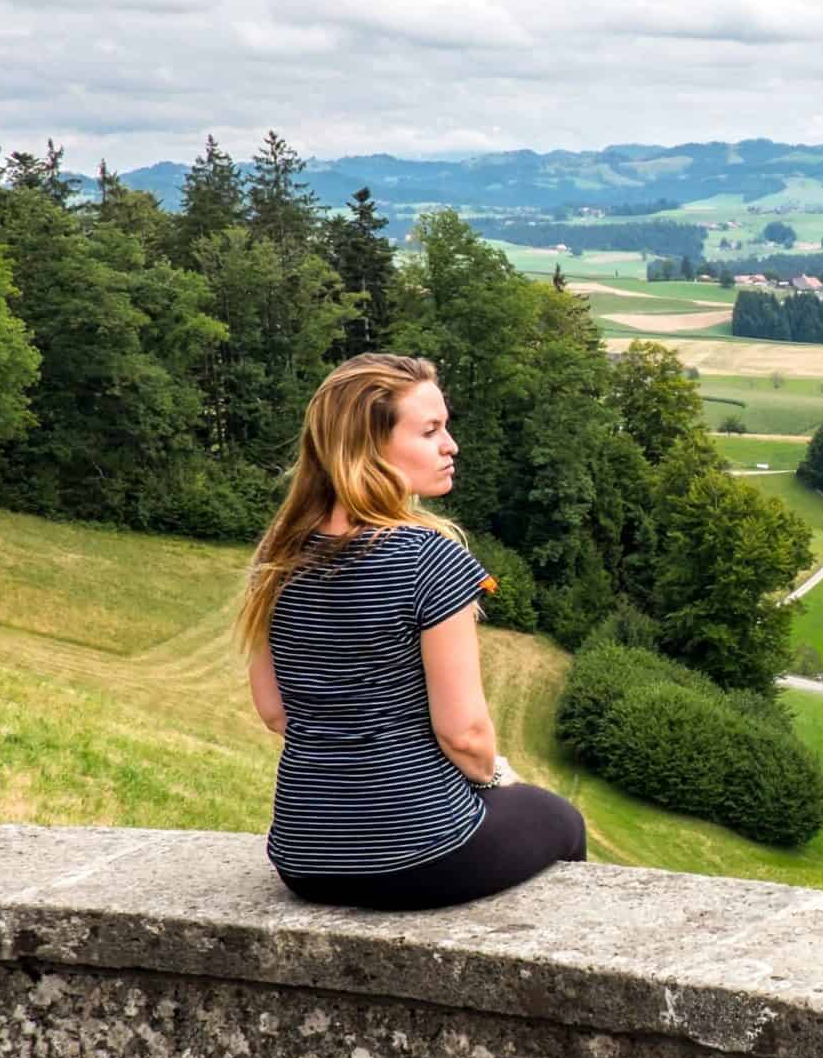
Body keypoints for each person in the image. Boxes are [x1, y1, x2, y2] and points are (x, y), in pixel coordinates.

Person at [234, 352, 586, 910]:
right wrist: (497, 780)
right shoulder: (430, 559)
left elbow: (275, 711)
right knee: (561, 820)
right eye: (430, 431)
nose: (451, 445)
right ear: (368, 448)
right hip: (418, 854)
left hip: (302, 859)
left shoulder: (277, 559)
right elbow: (465, 735)